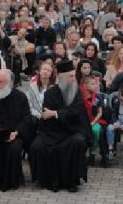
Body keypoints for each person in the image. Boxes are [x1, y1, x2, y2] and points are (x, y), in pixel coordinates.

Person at [29, 59, 90, 193]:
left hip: (72, 130)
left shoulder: (77, 92)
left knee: (78, 142)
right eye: (71, 76)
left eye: (74, 75)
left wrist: (56, 113)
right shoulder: (50, 93)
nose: (74, 78)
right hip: (52, 131)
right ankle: (48, 180)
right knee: (37, 146)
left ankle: (72, 181)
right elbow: (46, 115)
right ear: (61, 78)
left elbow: (77, 112)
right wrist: (58, 115)